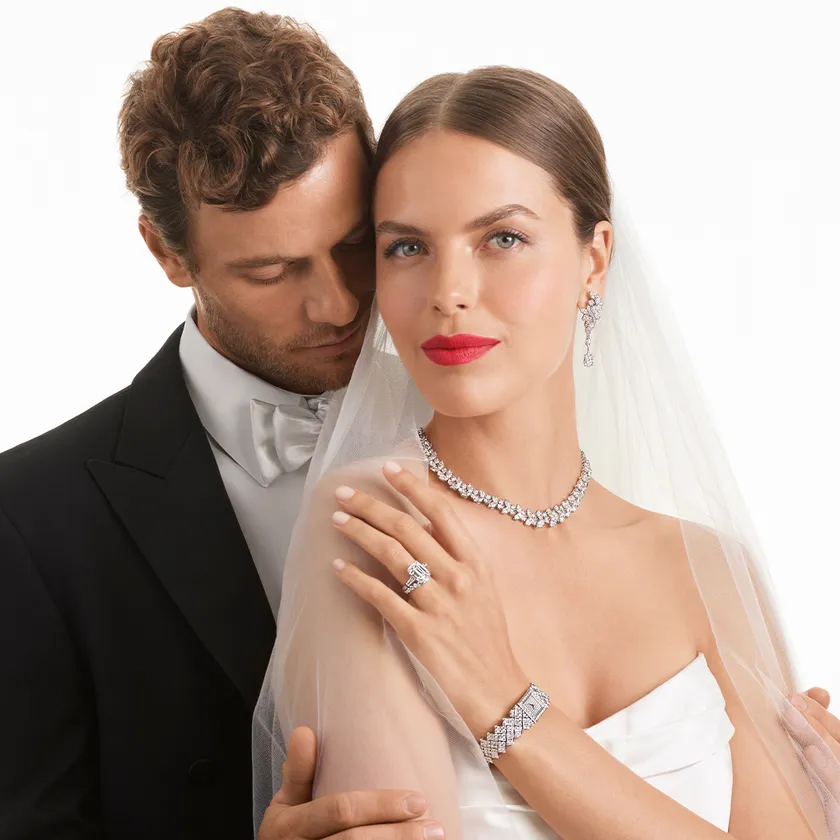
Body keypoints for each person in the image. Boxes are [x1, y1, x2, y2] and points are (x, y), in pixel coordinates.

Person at [254, 67, 840, 838]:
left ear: (594, 260)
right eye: (407, 247)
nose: (449, 291)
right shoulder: (380, 531)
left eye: (503, 238)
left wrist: (507, 708)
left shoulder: (708, 568)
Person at [0, 9, 434, 839]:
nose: (339, 304)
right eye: (271, 271)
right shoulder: (25, 521)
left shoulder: (484, 421)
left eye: (356, 244)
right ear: (167, 254)